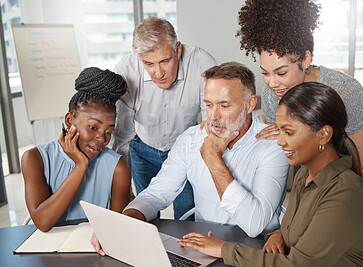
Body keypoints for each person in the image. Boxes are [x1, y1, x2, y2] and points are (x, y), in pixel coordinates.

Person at [92, 62, 289, 255]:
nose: (214, 116)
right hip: (204, 244)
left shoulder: (273, 144)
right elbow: (156, 194)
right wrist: (122, 224)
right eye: (209, 105)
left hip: (253, 249)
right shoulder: (191, 139)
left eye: (224, 105)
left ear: (250, 104)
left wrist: (213, 160)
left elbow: (254, 225)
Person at [177, 82, 363, 267]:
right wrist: (277, 235)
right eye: (279, 131)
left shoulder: (346, 191)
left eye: (289, 132)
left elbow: (298, 264)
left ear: (324, 134)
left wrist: (223, 249)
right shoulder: (305, 175)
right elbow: (299, 228)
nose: (280, 141)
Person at [235, 0, 363, 194]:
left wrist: (343, 194)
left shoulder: (346, 90)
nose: (272, 83)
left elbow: (359, 158)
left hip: (353, 169)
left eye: (281, 73)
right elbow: (284, 141)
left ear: (306, 59)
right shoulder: (272, 94)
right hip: (306, 165)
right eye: (265, 73)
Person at [111, 17, 217, 220]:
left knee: (186, 215)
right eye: (149, 64)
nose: (158, 73)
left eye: (165, 61)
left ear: (177, 49)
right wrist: (122, 191)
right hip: (141, 147)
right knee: (145, 213)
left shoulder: (202, 63)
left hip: (186, 148)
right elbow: (120, 138)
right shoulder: (126, 70)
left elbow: (211, 123)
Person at [21, 67, 131, 232]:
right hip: (49, 250)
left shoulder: (118, 168)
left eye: (108, 131)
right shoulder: (34, 158)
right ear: (69, 120)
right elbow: (43, 222)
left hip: (97, 248)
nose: (102, 138)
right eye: (93, 127)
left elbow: (118, 229)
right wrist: (80, 166)